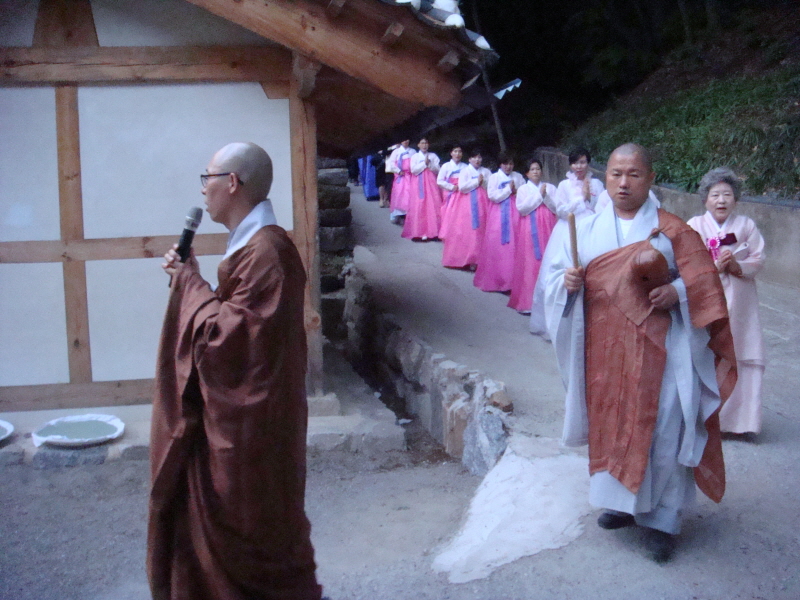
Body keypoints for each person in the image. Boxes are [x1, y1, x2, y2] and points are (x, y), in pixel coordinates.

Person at [541, 143, 736, 562]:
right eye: (615, 174)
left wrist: (677, 291)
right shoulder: (584, 227)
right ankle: (621, 505)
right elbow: (554, 280)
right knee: (611, 422)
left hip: (661, 348)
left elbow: (705, 283)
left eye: (633, 174)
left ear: (650, 179)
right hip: (604, 349)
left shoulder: (674, 231)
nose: (623, 183)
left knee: (664, 427)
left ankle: (663, 521)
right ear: (605, 177)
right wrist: (567, 285)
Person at [149, 142, 323, 600]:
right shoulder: (255, 246)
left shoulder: (269, 253)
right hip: (244, 422)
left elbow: (227, 343)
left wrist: (189, 283)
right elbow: (234, 326)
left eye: (206, 178)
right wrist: (190, 279)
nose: (202, 190)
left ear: (231, 183)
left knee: (253, 529)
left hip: (252, 431)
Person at [688, 167, 766, 435]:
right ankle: (704, 418)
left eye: (727, 194)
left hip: (741, 300)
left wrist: (736, 265)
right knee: (705, 352)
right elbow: (685, 261)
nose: (721, 200)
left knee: (742, 352)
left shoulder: (746, 226)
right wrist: (712, 266)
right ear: (705, 198)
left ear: (735, 198)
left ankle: (741, 423)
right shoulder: (694, 226)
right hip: (707, 298)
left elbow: (758, 258)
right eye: (715, 195)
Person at [508, 158, 557, 313]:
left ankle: (548, 302)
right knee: (530, 260)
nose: (536, 172)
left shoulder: (550, 187)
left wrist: (545, 197)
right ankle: (528, 302)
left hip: (548, 226)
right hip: (530, 228)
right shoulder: (523, 189)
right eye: (532, 169)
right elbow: (522, 208)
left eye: (538, 169)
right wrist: (539, 196)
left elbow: (556, 207)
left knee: (548, 259)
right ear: (527, 173)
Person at [473, 153, 525, 292]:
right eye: (505, 163)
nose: (508, 166)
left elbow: (524, 193)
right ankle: (497, 279)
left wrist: (516, 191)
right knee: (497, 244)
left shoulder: (518, 177)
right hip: (498, 214)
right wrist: (508, 190)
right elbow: (492, 196)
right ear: (500, 164)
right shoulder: (494, 177)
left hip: (515, 213)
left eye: (511, 164)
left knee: (515, 244)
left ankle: (513, 281)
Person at [441, 148, 491, 269]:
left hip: (483, 202)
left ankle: (481, 259)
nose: (477, 160)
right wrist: (476, 182)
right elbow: (462, 187)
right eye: (474, 157)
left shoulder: (486, 171)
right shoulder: (465, 171)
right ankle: (468, 258)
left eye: (479, 157)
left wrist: (483, 182)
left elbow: (490, 186)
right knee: (467, 230)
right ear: (469, 159)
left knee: (482, 229)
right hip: (466, 203)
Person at [402, 137, 442, 241]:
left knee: (433, 205)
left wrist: (429, 164)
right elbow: (413, 170)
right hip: (418, 184)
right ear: (418, 145)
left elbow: (438, 170)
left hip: (431, 184)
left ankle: (435, 232)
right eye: (422, 143)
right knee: (419, 206)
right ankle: (419, 232)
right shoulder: (415, 156)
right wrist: (424, 164)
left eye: (426, 143)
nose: (424, 145)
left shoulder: (433, 156)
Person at [553, 147, 605, 220]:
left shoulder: (597, 183)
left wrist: (589, 198)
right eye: (575, 163)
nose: (579, 166)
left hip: (594, 222)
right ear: (570, 165)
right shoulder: (564, 185)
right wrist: (582, 199)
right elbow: (560, 211)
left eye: (582, 162)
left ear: (588, 163)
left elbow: (604, 207)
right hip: (571, 224)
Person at [437, 144, 466, 233]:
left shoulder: (465, 167)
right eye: (455, 151)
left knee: (461, 213)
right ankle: (448, 233)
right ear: (451, 153)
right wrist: (452, 187)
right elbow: (439, 181)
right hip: (450, 193)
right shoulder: (446, 166)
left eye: (460, 152)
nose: (457, 154)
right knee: (449, 212)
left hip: (462, 192)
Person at [387, 138, 416, 224]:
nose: (405, 141)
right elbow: (391, 163)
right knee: (399, 193)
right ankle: (397, 213)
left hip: (410, 176)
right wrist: (398, 171)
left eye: (407, 140)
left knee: (410, 194)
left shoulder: (413, 151)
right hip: (400, 176)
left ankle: (407, 215)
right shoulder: (396, 152)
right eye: (404, 140)